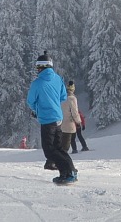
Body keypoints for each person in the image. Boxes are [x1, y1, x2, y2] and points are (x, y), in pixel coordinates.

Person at [28, 53, 77, 185]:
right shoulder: (58, 79)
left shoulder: (37, 83)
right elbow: (63, 97)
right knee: (58, 147)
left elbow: (30, 101)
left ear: (41, 67)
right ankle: (67, 172)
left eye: (38, 68)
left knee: (49, 150)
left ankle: (69, 172)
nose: (37, 70)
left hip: (47, 119)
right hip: (57, 118)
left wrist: (37, 110)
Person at [60, 80, 82, 154]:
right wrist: (78, 122)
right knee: (67, 144)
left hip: (60, 123)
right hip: (69, 124)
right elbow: (74, 112)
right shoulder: (72, 99)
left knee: (61, 142)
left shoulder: (61, 98)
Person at [70, 83, 89, 152]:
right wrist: (83, 125)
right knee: (79, 136)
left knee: (72, 138)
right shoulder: (76, 110)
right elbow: (81, 117)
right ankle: (84, 146)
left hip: (73, 126)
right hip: (78, 125)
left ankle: (74, 149)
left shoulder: (69, 111)